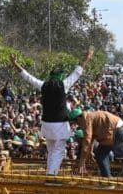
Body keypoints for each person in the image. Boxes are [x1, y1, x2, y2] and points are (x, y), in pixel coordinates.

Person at [10, 47, 94, 178]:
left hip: (47, 125)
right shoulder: (64, 84)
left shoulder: (43, 85)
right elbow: (77, 73)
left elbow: (28, 77)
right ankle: (51, 176)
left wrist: (15, 64)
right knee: (58, 151)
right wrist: (86, 58)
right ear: (60, 77)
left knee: (51, 151)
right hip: (59, 125)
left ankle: (50, 173)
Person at [74, 109, 123, 179]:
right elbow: (92, 137)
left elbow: (87, 139)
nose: (78, 124)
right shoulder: (90, 117)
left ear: (79, 117)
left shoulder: (87, 119)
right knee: (101, 154)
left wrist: (82, 160)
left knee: (103, 154)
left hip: (117, 130)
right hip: (119, 129)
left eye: (77, 122)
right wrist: (90, 152)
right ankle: (109, 178)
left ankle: (110, 179)